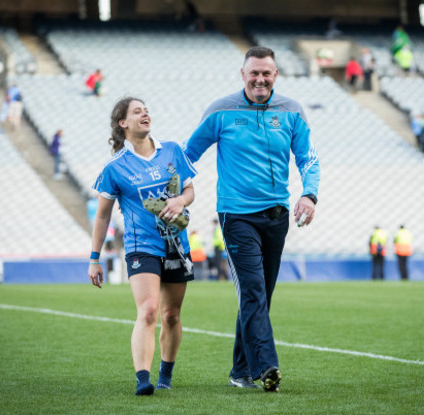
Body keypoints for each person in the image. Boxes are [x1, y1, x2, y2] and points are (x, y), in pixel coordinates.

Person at [183, 46, 320, 392]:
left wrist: (309, 193)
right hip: (237, 215)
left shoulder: (292, 112)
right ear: (242, 74)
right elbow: (188, 156)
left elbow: (308, 159)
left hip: (278, 215)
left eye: (267, 73)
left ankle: (239, 372)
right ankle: (267, 367)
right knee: (254, 290)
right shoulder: (220, 111)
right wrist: (174, 191)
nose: (260, 79)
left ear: (276, 76)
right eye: (254, 73)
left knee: (260, 295)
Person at [88, 97, 197, 396]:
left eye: (146, 109)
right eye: (137, 111)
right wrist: (94, 258)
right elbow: (102, 215)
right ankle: (142, 379)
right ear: (123, 123)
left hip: (177, 245)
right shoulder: (115, 168)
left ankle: (166, 374)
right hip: (141, 246)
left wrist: (180, 201)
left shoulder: (172, 150)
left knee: (171, 315)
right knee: (148, 311)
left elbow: (189, 189)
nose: (145, 113)